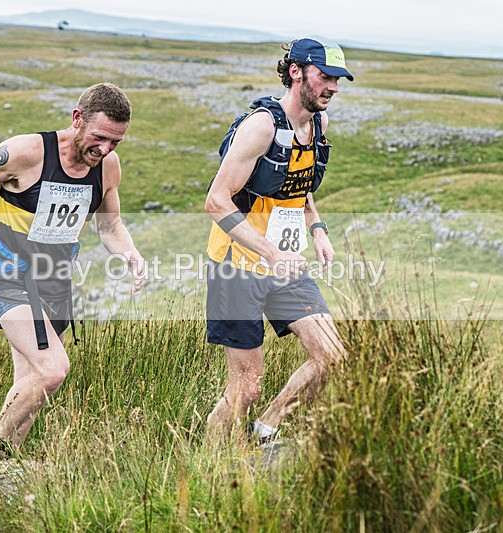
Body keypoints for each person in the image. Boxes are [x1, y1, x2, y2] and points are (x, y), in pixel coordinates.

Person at [0, 83, 145, 466]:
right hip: (6, 266)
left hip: (54, 274)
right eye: (99, 138)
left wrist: (130, 253)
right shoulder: (28, 152)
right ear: (77, 119)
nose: (106, 149)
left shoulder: (107, 166)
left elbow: (109, 227)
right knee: (53, 368)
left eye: (115, 142)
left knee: (32, 379)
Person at [203, 36, 352, 447]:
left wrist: (317, 228)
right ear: (296, 72)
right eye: (325, 77)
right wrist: (272, 252)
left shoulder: (317, 123)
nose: (334, 88)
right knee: (246, 387)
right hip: (237, 266)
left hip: (286, 267)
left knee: (334, 357)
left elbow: (298, 186)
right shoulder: (261, 126)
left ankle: (266, 428)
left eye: (338, 80)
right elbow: (216, 202)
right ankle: (207, 465)